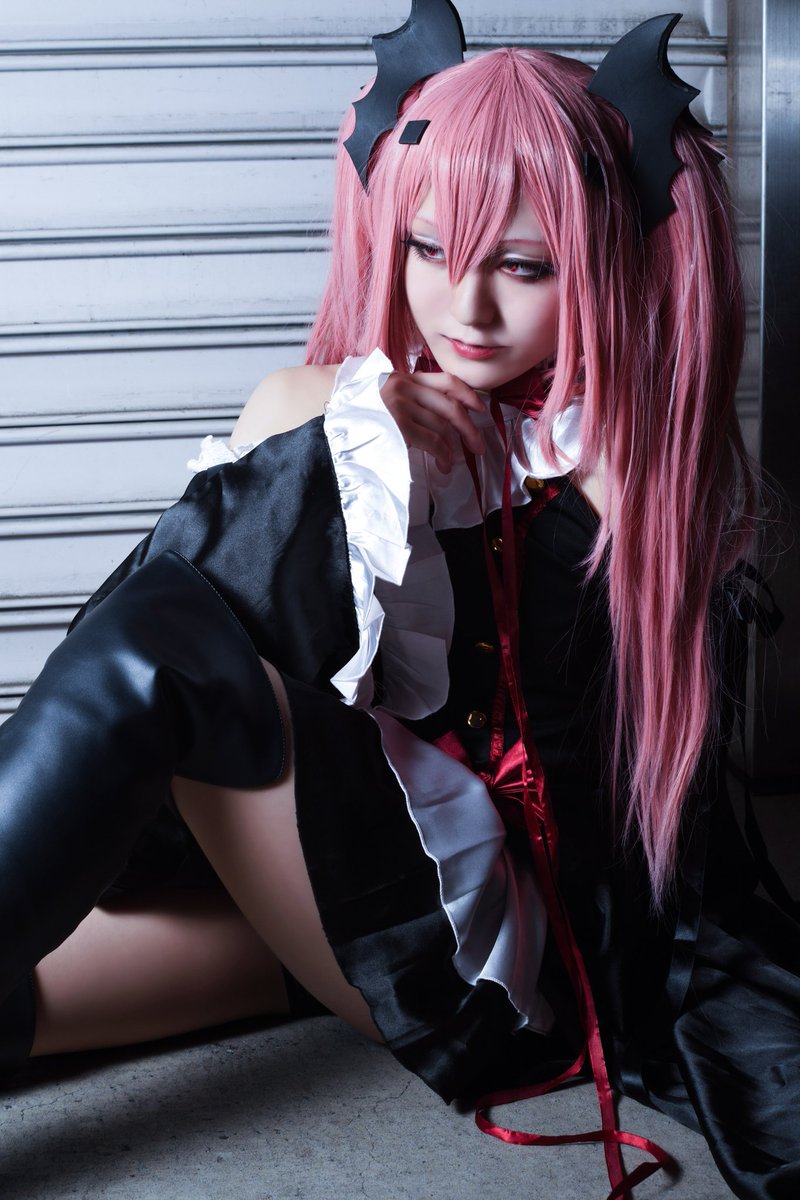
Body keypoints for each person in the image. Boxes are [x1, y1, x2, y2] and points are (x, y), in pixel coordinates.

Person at [1, 5, 798, 1198]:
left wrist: (334, 438)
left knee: (157, 647)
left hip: (475, 959)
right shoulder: (362, 414)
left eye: (522, 268)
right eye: (428, 250)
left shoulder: (630, 475)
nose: (462, 311)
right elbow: (231, 576)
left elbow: (615, 835)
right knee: (29, 988)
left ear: (613, 258)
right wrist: (343, 422)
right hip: (325, 893)